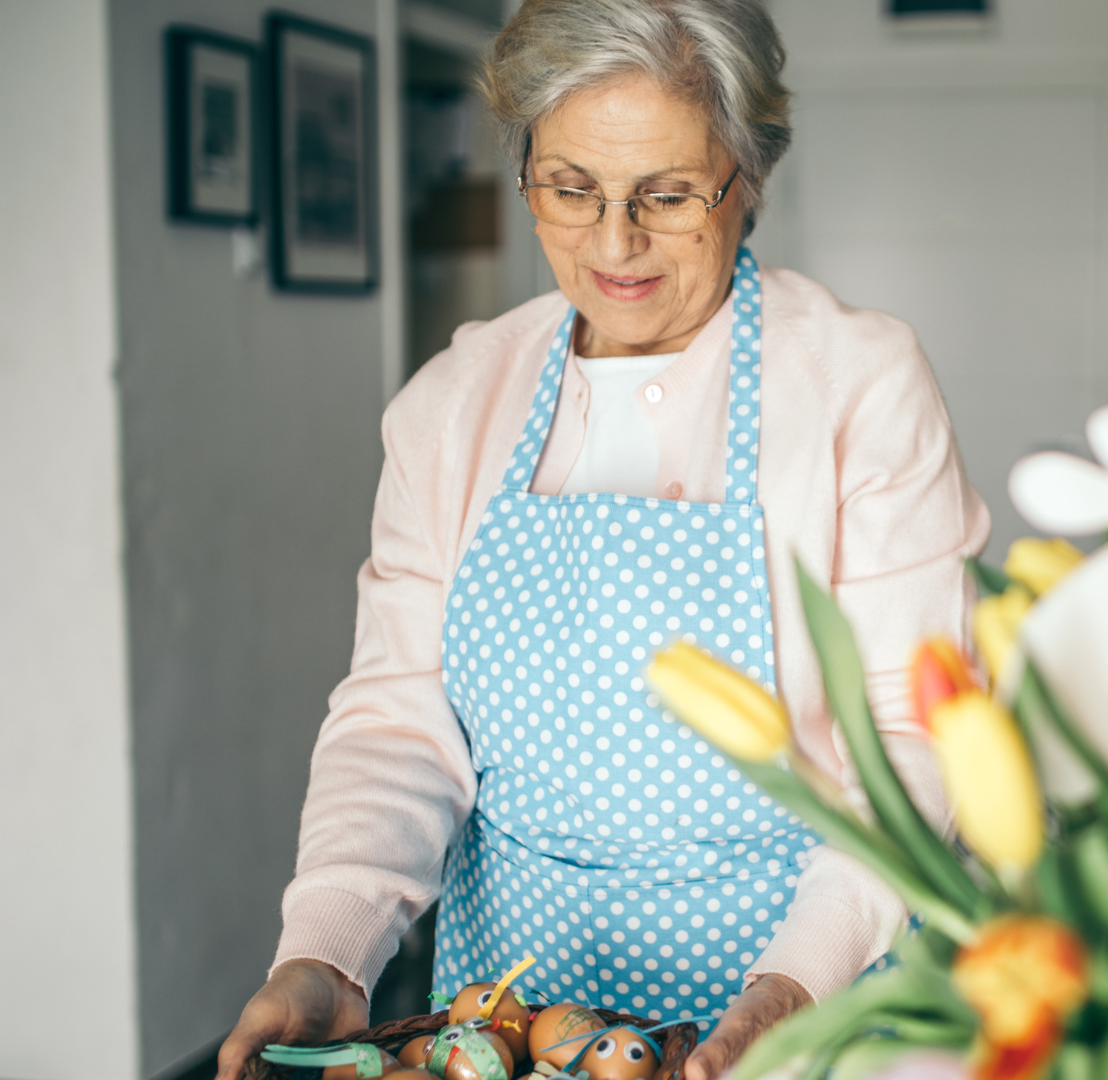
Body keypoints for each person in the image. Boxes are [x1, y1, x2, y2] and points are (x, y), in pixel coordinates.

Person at [216, 2, 988, 1076]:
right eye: (570, 188)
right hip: (514, 1017)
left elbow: (914, 733)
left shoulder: (859, 384)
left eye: (666, 195)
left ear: (747, 177)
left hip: (815, 997)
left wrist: (785, 996)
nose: (614, 242)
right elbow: (400, 721)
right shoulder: (454, 401)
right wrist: (330, 952)